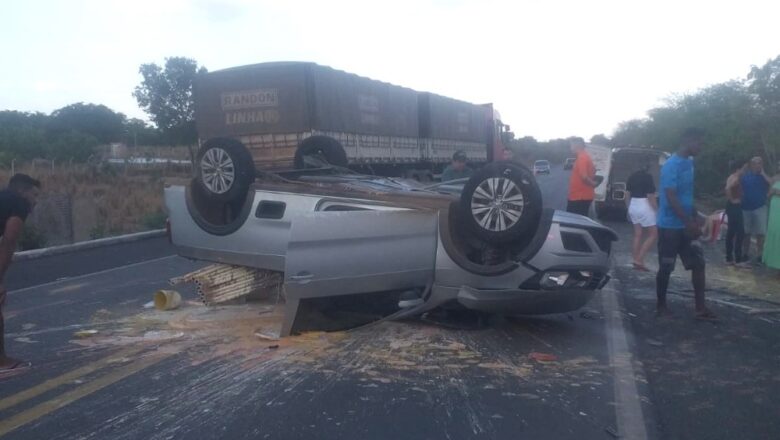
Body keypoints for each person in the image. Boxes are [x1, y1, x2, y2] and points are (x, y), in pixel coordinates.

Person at [655, 128, 716, 320]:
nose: (701, 147)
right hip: (670, 227)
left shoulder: (690, 163)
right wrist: (688, 222)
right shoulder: (671, 165)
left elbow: (685, 196)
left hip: (686, 224)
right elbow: (671, 196)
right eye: (699, 143)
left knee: (698, 264)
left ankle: (700, 307)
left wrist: (698, 216)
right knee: (666, 266)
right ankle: (661, 305)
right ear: (688, 141)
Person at [1, 174, 41, 371]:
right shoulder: (19, 203)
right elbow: (9, 241)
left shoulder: (4, 199)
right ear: (22, 191)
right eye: (34, 195)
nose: (35, 201)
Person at [626, 162, 658, 271]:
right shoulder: (648, 177)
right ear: (648, 168)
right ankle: (639, 259)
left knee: (637, 234)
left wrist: (629, 207)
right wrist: (656, 210)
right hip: (644, 205)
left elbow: (627, 194)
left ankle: (635, 259)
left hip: (633, 204)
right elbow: (650, 196)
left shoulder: (632, 176)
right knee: (653, 234)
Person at [740, 156, 772, 264]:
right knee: (746, 232)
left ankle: (760, 255)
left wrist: (763, 173)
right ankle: (745, 253)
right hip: (746, 207)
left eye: (760, 163)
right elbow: (739, 186)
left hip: (760, 207)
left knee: (760, 233)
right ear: (751, 164)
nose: (757, 165)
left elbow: (772, 183)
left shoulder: (764, 177)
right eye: (755, 163)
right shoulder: (745, 176)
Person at [566, 137, 598, 216]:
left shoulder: (582, 158)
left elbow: (584, 177)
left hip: (579, 197)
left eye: (571, 145)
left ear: (577, 145)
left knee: (573, 222)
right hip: (582, 196)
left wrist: (593, 184)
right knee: (579, 220)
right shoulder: (585, 156)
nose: (570, 148)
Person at [724, 160, 748, 265]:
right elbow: (728, 188)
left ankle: (729, 257)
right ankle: (737, 258)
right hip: (734, 206)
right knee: (739, 231)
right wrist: (732, 200)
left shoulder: (735, 178)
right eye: (742, 169)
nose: (744, 171)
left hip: (734, 206)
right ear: (738, 169)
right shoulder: (734, 177)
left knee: (732, 231)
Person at [762, 166, 780, 275]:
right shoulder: (775, 178)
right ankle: (775, 264)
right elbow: (768, 194)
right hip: (775, 207)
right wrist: (773, 192)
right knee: (775, 233)